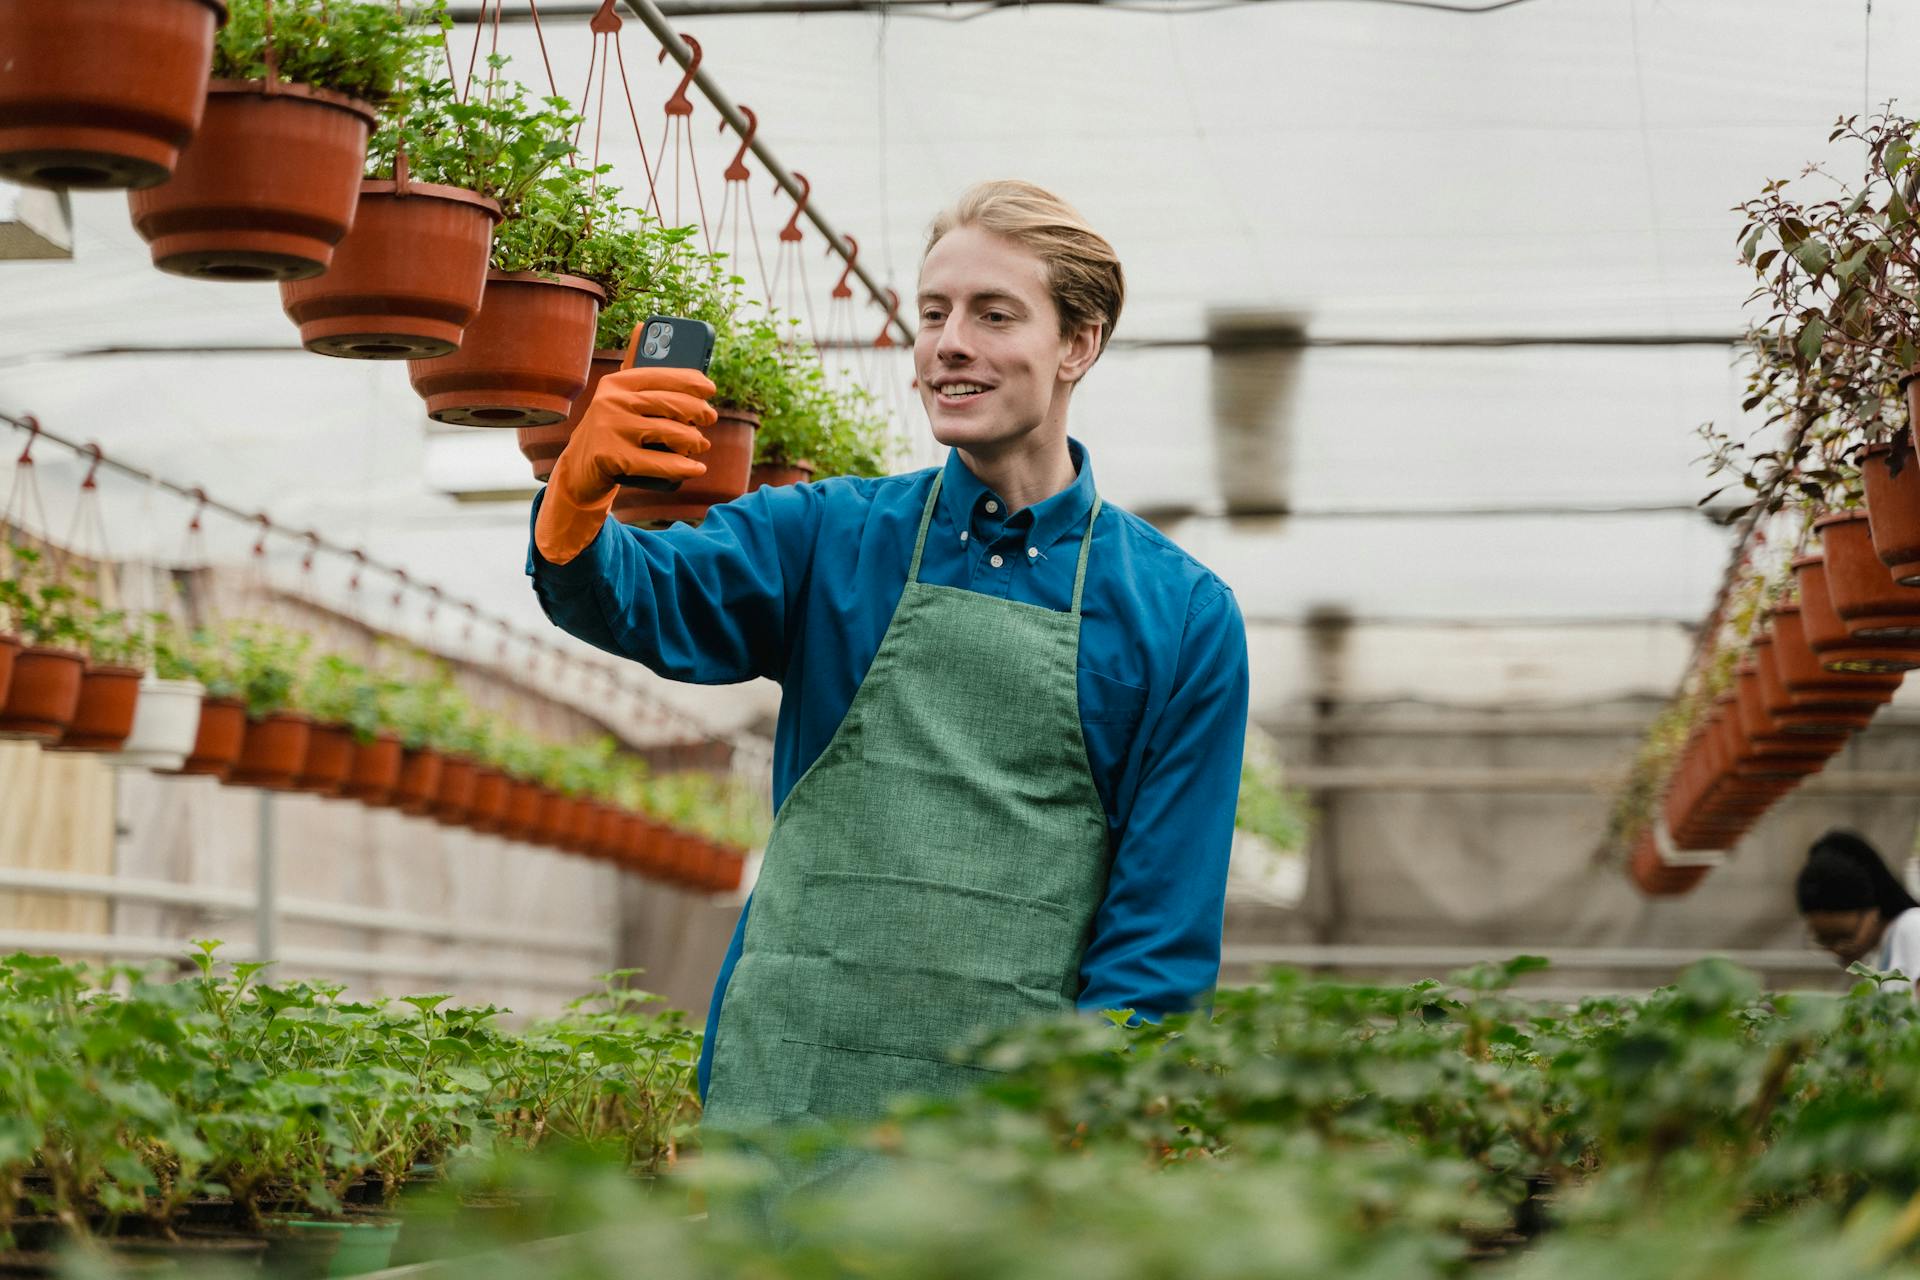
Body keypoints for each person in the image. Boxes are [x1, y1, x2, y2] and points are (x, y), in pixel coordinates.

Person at [526, 180, 1250, 1131]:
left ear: (1079, 343)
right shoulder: (829, 537)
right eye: (935, 313)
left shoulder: (1181, 616)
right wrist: (576, 493)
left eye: (996, 315)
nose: (951, 342)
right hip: (788, 1096)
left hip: (1005, 1145)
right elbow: (638, 596)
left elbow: (1156, 943)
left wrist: (1083, 1145)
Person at [1795, 829, 1920, 989]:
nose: (1835, 950)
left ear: (1873, 911)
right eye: (1823, 940)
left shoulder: (1913, 928)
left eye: (1845, 937)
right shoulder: (1878, 957)